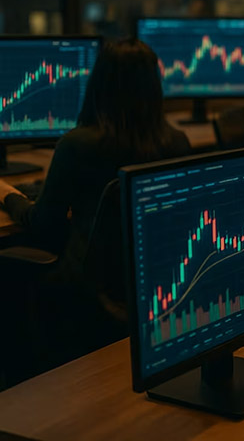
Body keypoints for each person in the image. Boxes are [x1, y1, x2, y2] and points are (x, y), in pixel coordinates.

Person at [0, 37, 191, 272]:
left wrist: (8, 195)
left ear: (99, 83)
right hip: (153, 281)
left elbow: (43, 224)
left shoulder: (76, 145)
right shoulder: (178, 143)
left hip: (89, 287)